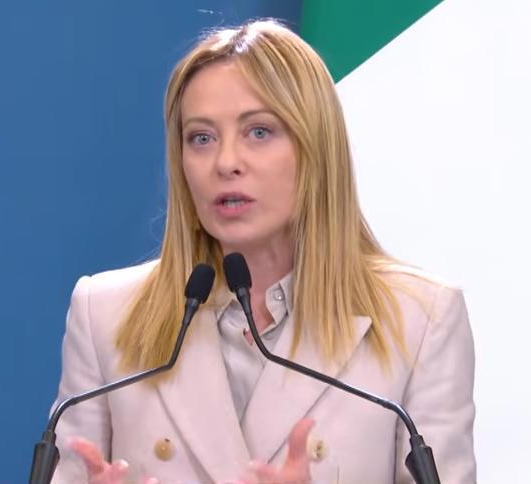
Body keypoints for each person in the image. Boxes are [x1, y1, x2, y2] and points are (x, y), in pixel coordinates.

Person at [50, 19, 476, 484]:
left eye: (258, 132)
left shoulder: (420, 319)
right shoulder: (104, 314)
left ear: (316, 148)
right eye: (201, 138)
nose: (226, 162)